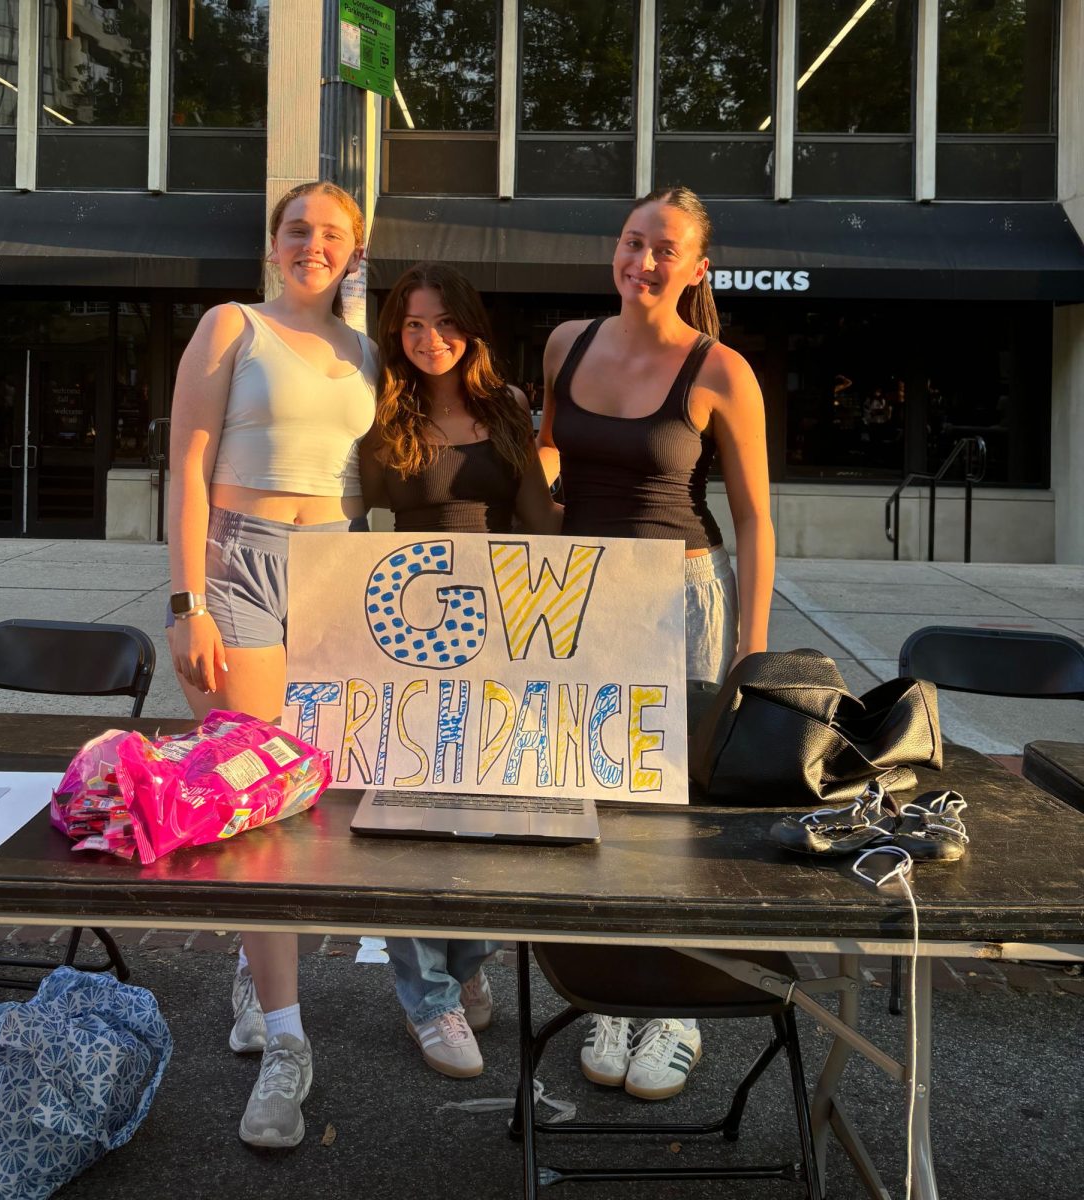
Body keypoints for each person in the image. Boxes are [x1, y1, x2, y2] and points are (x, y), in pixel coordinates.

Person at [536, 186, 775, 1101]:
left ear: (696, 268)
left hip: (681, 597)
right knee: (594, 796)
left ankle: (675, 1005)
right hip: (580, 598)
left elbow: (755, 521)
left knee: (675, 810)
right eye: (633, 242)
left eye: (665, 248)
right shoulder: (567, 345)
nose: (644, 260)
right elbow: (554, 455)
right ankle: (612, 989)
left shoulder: (720, 369)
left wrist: (752, 651)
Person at [166, 181, 376, 1149]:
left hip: (333, 568)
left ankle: (259, 975)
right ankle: (291, 1045)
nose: (313, 245)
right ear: (274, 240)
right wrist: (188, 602)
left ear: (355, 251)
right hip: (240, 565)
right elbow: (188, 463)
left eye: (332, 234)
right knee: (257, 802)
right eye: (299, 229)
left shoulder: (362, 350)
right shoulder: (231, 326)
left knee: (313, 802)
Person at [359, 261, 560, 1079]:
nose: (428, 339)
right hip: (404, 628)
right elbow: (348, 514)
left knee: (497, 810)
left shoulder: (508, 408)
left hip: (503, 628)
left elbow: (543, 522)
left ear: (471, 329)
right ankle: (430, 1001)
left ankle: (469, 956)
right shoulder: (379, 411)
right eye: (411, 324)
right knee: (404, 814)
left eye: (443, 323)